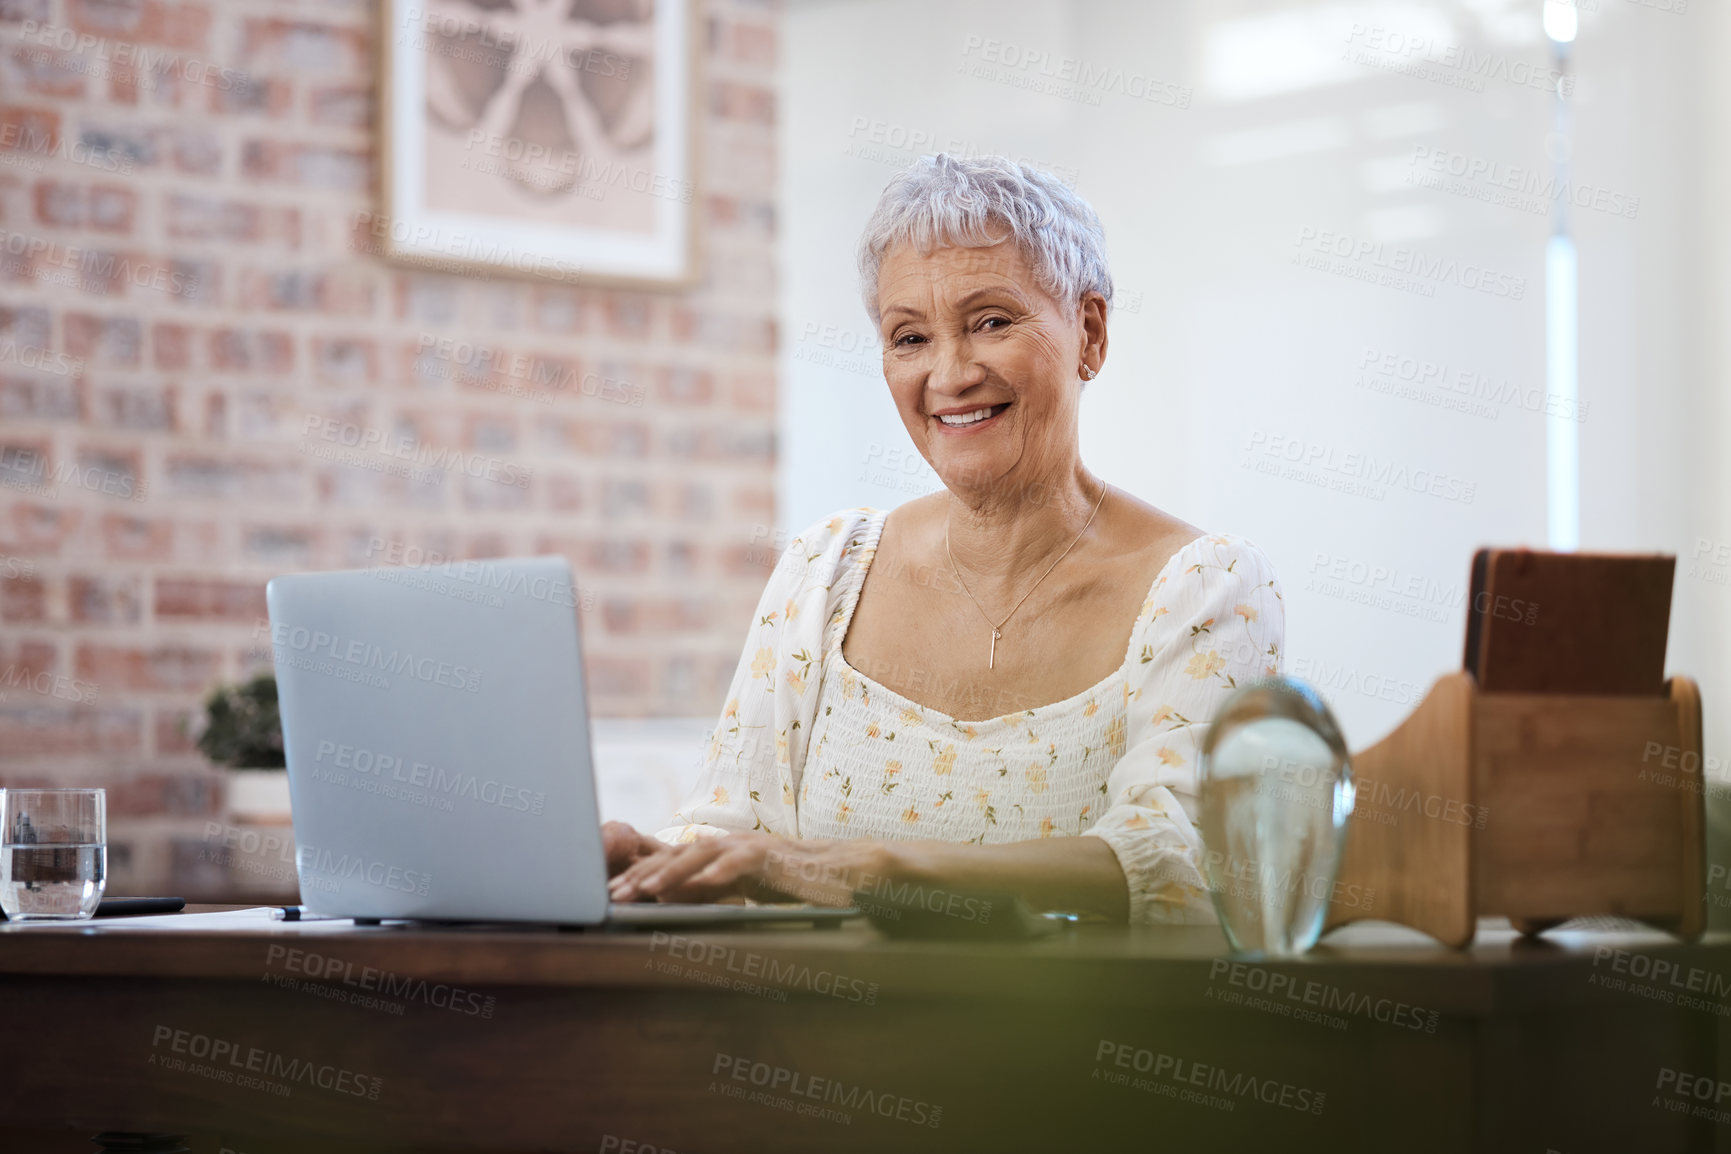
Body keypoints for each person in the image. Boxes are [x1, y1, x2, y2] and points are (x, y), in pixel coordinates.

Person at [605, 154, 1283, 923]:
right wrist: (651, 865)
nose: (949, 374)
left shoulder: (1210, 587)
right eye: (909, 338)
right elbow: (736, 834)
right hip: (815, 1036)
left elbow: (1171, 861)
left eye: (990, 322)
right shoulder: (824, 573)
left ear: (1088, 333)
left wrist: (874, 868)